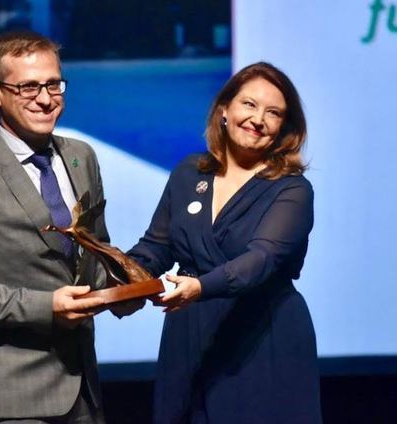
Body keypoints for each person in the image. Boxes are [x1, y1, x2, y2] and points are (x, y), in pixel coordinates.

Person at [0, 31, 134, 423]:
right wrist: (46, 307)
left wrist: (122, 291)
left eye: (53, 84)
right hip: (9, 396)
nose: (44, 99)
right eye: (27, 87)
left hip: (83, 392)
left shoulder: (81, 157)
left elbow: (95, 252)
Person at [128, 62, 322, 423]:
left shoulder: (292, 190)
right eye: (249, 104)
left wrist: (199, 287)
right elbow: (156, 248)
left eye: (273, 112)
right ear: (224, 111)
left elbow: (261, 260)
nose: (258, 118)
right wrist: (115, 277)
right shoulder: (189, 172)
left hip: (260, 338)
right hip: (188, 337)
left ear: (284, 128)